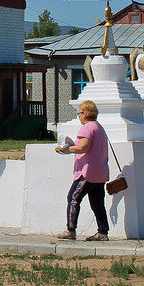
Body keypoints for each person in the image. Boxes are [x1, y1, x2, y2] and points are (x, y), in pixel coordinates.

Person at [55, 99, 110, 241]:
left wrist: (66, 149)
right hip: (100, 171)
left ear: (85, 114)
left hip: (87, 172)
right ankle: (103, 231)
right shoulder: (99, 128)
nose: (79, 115)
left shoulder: (87, 128)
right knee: (97, 202)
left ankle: (70, 230)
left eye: (79, 113)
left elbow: (83, 147)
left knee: (73, 197)